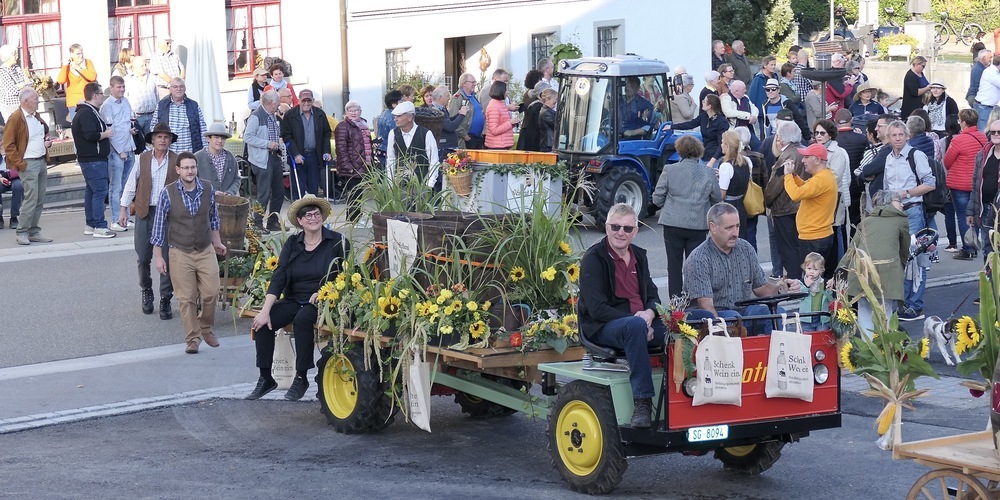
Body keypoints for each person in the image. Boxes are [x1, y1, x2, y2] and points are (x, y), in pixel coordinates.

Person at [246, 195, 349, 401]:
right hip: (295, 299)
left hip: (323, 300)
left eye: (316, 214)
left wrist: (325, 292)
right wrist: (265, 310)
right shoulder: (293, 243)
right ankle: (266, 377)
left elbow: (346, 275)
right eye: (308, 215)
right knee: (264, 321)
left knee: (303, 320)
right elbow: (279, 276)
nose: (313, 218)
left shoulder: (336, 241)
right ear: (300, 221)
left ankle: (301, 377)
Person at [578, 202, 667, 428]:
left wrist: (649, 314)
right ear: (607, 227)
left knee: (685, 324)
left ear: (635, 232)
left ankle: (686, 392)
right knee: (634, 328)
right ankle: (643, 401)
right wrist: (637, 321)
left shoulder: (639, 256)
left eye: (627, 228)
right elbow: (597, 309)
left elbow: (654, 297)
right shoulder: (594, 259)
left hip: (640, 322)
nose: (621, 232)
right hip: (604, 326)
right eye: (616, 226)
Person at [683, 202, 801, 335]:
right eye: (729, 228)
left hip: (743, 312)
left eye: (737, 226)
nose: (735, 233)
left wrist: (782, 288)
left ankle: (777, 347)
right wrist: (722, 330)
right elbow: (706, 306)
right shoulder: (699, 258)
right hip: (713, 317)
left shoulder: (746, 248)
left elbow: (761, 288)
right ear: (713, 227)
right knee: (733, 317)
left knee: (778, 313)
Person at [151, 152, 227, 354]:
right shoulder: (167, 193)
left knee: (212, 292)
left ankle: (205, 328)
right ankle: (192, 338)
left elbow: (213, 218)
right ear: (178, 170)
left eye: (192, 167)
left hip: (205, 248)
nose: (190, 171)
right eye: (185, 168)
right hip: (180, 251)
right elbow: (158, 228)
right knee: (186, 298)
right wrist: (158, 257)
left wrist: (217, 242)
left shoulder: (207, 188)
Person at [861, 120, 936, 321]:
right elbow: (887, 186)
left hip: (912, 210)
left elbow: (930, 183)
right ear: (889, 137)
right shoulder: (888, 157)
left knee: (915, 259)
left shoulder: (915, 155)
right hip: (894, 213)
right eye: (893, 135)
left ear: (907, 136)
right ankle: (903, 303)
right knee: (900, 258)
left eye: (900, 135)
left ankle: (915, 306)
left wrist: (906, 193)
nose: (897, 139)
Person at [118, 122, 179, 318]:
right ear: (152, 140)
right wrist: (123, 209)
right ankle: (146, 290)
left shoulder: (176, 160)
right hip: (145, 211)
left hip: (168, 214)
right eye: (159, 137)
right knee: (143, 257)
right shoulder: (142, 159)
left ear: (170, 140)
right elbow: (130, 184)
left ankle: (165, 298)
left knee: (166, 258)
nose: (163, 140)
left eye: (166, 137)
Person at [651, 135, 722, 297]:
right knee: (695, 266)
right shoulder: (708, 172)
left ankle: (676, 303)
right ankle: (694, 299)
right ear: (699, 151)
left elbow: (657, 199)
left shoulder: (670, 170)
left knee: (674, 266)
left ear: (679, 151)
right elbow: (717, 198)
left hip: (673, 223)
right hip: (697, 225)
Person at [841, 190, 909, 339]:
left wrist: (840, 271)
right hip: (887, 270)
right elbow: (904, 251)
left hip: (861, 271)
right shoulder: (900, 221)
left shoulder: (866, 221)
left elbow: (851, 250)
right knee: (886, 308)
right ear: (888, 203)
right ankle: (887, 346)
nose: (902, 205)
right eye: (898, 201)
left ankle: (868, 346)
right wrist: (900, 268)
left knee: (864, 308)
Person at [3, 88, 52, 246]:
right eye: (35, 99)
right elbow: (8, 145)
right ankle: (22, 232)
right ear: (26, 101)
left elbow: (40, 134)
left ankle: (33, 231)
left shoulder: (35, 116)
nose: (38, 101)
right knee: (31, 199)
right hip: (28, 163)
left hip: (41, 160)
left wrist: (46, 141)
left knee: (39, 199)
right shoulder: (15, 118)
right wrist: (21, 164)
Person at [783, 142, 838, 279]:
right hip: (817, 235)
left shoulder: (821, 179)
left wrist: (788, 176)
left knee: (811, 279)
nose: (803, 160)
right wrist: (794, 175)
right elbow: (806, 188)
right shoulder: (823, 176)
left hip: (814, 237)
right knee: (815, 278)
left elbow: (796, 194)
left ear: (817, 160)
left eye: (807, 157)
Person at [71, 82, 115, 239]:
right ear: (95, 95)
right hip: (93, 159)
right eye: (101, 94)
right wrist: (106, 134)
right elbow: (89, 135)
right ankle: (99, 226)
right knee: (100, 192)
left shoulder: (86, 111)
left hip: (91, 159)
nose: (103, 96)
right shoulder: (86, 113)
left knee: (91, 191)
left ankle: (90, 224)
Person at [763, 121, 806, 278]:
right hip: (801, 206)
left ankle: (795, 281)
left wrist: (766, 201)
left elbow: (775, 185)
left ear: (780, 138)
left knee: (788, 249)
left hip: (785, 208)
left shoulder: (787, 156)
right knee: (798, 247)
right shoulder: (804, 151)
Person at [944, 108, 986, 260]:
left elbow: (947, 161)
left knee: (963, 216)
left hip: (960, 184)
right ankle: (973, 245)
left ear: (963, 122)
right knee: (975, 215)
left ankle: (968, 248)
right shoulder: (983, 137)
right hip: (978, 182)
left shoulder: (958, 140)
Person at [100, 75, 137, 232]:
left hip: (129, 146)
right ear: (111, 88)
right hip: (116, 151)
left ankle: (125, 218)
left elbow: (127, 122)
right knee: (116, 186)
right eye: (119, 87)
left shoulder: (126, 101)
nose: (122, 90)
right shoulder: (107, 106)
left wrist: (131, 131)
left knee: (127, 185)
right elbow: (109, 131)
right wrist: (120, 150)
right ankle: (115, 219)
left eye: (123, 87)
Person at [281, 88, 333, 199]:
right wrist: (296, 154)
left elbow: (326, 134)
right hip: (298, 156)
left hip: (314, 156)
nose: (306, 103)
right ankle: (299, 210)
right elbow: (287, 136)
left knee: (313, 190)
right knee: (298, 191)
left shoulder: (320, 114)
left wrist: (326, 151)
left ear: (312, 100)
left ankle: (312, 210)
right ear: (299, 100)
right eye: (303, 100)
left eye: (309, 100)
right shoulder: (290, 115)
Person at [812, 119, 851, 262]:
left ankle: (838, 267)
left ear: (830, 134)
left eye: (822, 133)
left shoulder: (838, 152)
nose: (818, 136)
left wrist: (815, 184)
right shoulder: (814, 149)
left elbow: (834, 178)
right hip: (819, 199)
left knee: (835, 234)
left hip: (834, 198)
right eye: (816, 133)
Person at [244, 90, 283, 231]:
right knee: (264, 194)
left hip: (274, 157)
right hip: (262, 160)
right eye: (278, 101)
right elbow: (247, 137)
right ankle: (257, 223)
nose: (279, 104)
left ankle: (273, 222)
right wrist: (267, 144)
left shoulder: (273, 115)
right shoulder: (256, 116)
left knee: (279, 192)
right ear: (271, 102)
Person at [386, 101, 440, 189]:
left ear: (410, 117)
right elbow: (391, 159)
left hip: (422, 185)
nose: (395, 119)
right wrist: (390, 184)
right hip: (399, 186)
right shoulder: (393, 134)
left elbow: (434, 161)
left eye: (399, 116)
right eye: (395, 116)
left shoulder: (426, 134)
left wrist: (429, 185)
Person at [334, 100, 371, 223]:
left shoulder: (363, 124)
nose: (353, 113)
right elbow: (341, 148)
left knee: (359, 192)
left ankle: (357, 216)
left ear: (360, 111)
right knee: (353, 194)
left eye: (356, 110)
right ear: (346, 112)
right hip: (352, 167)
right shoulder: (343, 126)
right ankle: (353, 219)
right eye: (350, 110)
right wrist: (348, 166)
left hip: (363, 165)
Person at [968, 118, 1000, 261]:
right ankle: (990, 275)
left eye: (999, 132)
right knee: (988, 249)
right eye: (993, 132)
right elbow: (975, 184)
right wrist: (970, 211)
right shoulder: (983, 154)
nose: (996, 134)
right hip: (986, 208)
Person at [150, 77, 208, 154]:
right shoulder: (161, 105)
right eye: (175, 87)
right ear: (170, 89)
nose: (178, 89)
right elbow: (153, 126)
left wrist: (205, 150)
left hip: (189, 152)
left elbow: (203, 128)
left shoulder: (194, 105)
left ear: (185, 89)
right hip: (168, 152)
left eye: (181, 86)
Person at [667, 94, 728, 165]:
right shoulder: (704, 116)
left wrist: (712, 162)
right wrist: (671, 126)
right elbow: (690, 124)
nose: (702, 102)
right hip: (704, 155)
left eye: (704, 101)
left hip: (715, 158)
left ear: (709, 106)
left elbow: (721, 144)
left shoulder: (721, 122)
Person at [717, 129, 751, 236]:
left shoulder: (726, 166)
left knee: (728, 238)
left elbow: (721, 195)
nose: (721, 145)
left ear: (727, 146)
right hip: (741, 205)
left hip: (728, 207)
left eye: (722, 142)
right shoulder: (746, 161)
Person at [193, 123, 241, 196]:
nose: (220, 141)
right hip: (204, 200)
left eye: (223, 138)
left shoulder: (230, 158)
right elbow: (192, 181)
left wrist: (230, 192)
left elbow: (236, 179)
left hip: (226, 200)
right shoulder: (197, 157)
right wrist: (210, 192)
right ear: (208, 138)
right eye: (216, 137)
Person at [56, 44, 97, 120]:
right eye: (78, 54)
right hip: (74, 102)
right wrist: (65, 66)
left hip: (87, 100)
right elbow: (61, 80)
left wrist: (79, 68)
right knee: (77, 125)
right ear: (71, 54)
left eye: (81, 53)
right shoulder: (68, 66)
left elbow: (92, 77)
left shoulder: (88, 62)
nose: (81, 56)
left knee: (90, 123)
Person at [124, 55, 158, 146]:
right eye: (142, 65)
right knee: (138, 143)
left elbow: (157, 95)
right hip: (137, 117)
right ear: (134, 67)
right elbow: (125, 99)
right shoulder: (127, 80)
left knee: (153, 143)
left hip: (151, 116)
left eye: (145, 64)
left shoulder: (152, 78)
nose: (145, 67)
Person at [796, 252, 831, 332]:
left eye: (815, 269)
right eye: (809, 268)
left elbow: (829, 298)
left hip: (821, 318)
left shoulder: (824, 283)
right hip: (806, 318)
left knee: (821, 337)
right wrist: (806, 286)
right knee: (808, 337)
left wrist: (829, 290)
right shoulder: (801, 282)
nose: (812, 272)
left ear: (821, 270)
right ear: (804, 268)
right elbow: (799, 296)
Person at [449, 73, 485, 150]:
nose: (474, 84)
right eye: (472, 82)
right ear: (464, 83)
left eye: (475, 82)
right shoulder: (457, 98)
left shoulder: (473, 97)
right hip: (467, 139)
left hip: (478, 138)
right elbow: (452, 119)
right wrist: (465, 136)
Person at [483, 80, 519, 149]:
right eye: (506, 90)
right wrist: (510, 123)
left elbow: (503, 123)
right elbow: (494, 130)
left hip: (503, 144)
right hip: (497, 146)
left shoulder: (500, 103)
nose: (507, 92)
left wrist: (513, 123)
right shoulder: (494, 106)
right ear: (500, 91)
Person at [432, 86, 466, 155]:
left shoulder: (442, 109)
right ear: (440, 98)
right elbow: (450, 127)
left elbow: (448, 121)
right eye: (447, 96)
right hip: (444, 148)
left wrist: (459, 114)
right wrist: (461, 115)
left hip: (447, 146)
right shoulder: (436, 111)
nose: (449, 98)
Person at [0, 44, 28, 121]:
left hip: (22, 105)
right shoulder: (2, 72)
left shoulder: (17, 68)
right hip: (9, 108)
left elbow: (28, 83)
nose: (17, 57)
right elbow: (12, 90)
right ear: (7, 57)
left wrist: (21, 85)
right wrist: (22, 86)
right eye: (14, 55)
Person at [375, 90, 403, 166]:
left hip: (381, 148)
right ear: (394, 105)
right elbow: (397, 135)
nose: (403, 103)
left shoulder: (383, 114)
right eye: (401, 101)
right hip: (388, 150)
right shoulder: (393, 117)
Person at [515, 84, 543, 152]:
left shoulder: (532, 105)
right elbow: (538, 124)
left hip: (528, 134)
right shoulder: (538, 107)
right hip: (535, 139)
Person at [0, 160, 22, 229]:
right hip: (0, 178)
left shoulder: (14, 153)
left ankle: (14, 217)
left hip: (15, 177)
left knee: (18, 186)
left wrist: (4, 175)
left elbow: (20, 168)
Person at [537, 88, 558, 152]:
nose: (555, 104)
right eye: (554, 102)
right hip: (548, 145)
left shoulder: (548, 111)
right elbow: (556, 126)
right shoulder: (546, 113)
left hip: (549, 144)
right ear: (547, 100)